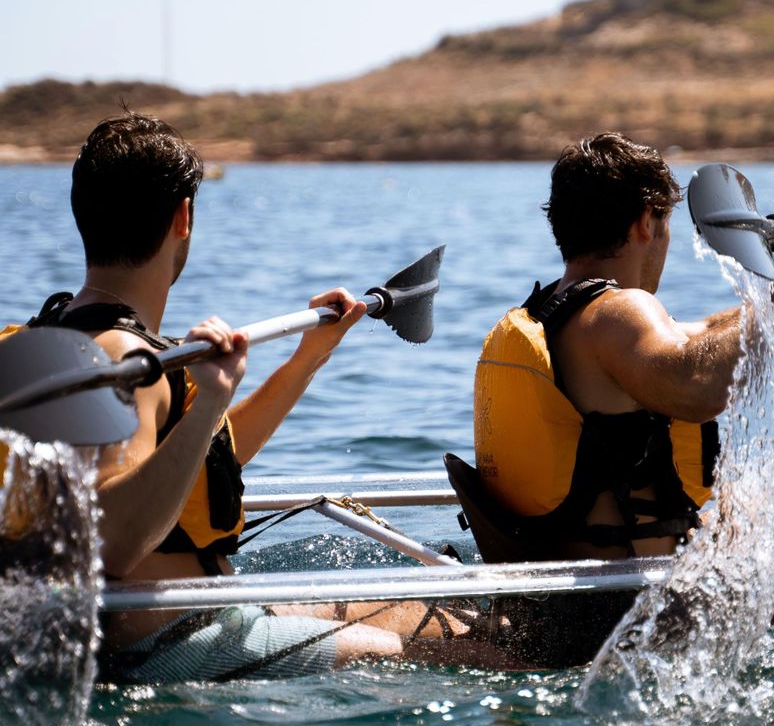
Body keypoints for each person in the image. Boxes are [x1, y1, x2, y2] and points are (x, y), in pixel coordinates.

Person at [459, 131, 774, 666]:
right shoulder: (620, 313)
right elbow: (698, 385)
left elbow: (709, 333)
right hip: (641, 614)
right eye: (665, 225)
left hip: (571, 596)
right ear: (646, 222)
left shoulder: (556, 312)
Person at [27, 111, 482, 684]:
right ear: (183, 218)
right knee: (438, 648)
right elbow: (113, 545)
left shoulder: (54, 337)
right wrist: (213, 398)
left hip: (181, 626)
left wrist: (308, 356)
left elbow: (194, 467)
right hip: (169, 648)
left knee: (422, 613)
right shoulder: (125, 358)